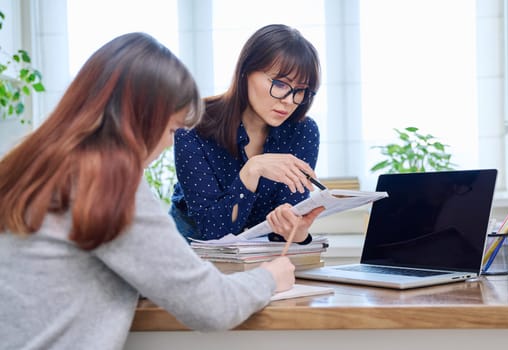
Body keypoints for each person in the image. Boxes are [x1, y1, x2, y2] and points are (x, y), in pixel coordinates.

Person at [0, 32, 299, 350]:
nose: (170, 142)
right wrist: (270, 277)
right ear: (140, 119)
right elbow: (213, 308)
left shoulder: (33, 165)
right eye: (171, 129)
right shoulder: (105, 181)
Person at [170, 24, 325, 243]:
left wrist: (297, 233)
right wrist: (253, 170)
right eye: (280, 84)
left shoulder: (303, 132)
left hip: (258, 251)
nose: (290, 100)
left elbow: (287, 218)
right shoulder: (194, 127)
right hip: (193, 248)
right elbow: (213, 232)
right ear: (245, 72)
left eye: (300, 91)